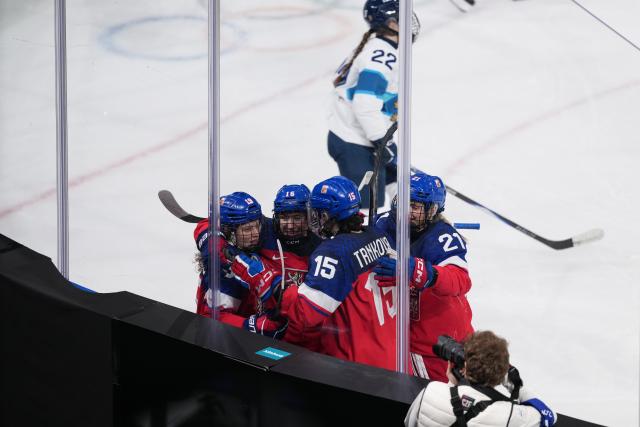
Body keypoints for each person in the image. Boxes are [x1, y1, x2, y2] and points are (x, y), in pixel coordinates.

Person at [276, 176, 398, 370]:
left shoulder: (333, 251)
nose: (313, 218)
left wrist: (283, 290)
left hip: (357, 365)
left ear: (328, 216)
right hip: (392, 352)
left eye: (317, 213)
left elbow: (307, 314)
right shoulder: (379, 235)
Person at [374, 172, 474, 381]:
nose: (407, 211)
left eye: (416, 206)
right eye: (403, 202)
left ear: (433, 210)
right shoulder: (383, 223)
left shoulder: (441, 237)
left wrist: (421, 271)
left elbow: (460, 280)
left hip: (437, 341)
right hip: (413, 340)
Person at [327, 0, 420, 210]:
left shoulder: (379, 48)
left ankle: (403, 228)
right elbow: (364, 104)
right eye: (402, 18)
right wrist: (382, 141)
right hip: (354, 142)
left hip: (361, 136)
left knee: (397, 184)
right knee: (365, 210)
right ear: (391, 23)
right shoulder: (382, 56)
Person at [404, 331, 556, 427]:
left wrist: (452, 383)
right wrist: (513, 383)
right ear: (499, 375)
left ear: (463, 366)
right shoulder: (509, 415)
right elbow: (549, 416)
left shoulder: (430, 392)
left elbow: (409, 423)